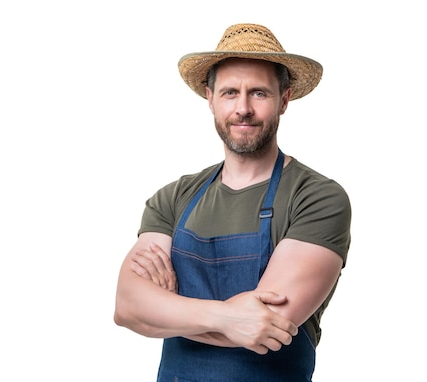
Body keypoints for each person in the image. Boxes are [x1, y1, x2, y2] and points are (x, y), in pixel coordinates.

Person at [114, 23, 351, 381]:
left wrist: (167, 311)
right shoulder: (174, 198)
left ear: (284, 99)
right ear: (209, 98)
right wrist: (228, 317)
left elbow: (267, 324)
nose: (243, 108)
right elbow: (128, 307)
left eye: (258, 93)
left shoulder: (316, 198)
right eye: (229, 93)